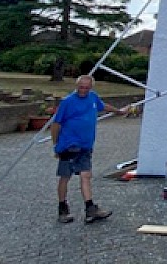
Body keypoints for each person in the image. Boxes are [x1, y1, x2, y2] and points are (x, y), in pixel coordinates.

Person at [51, 74, 127, 224]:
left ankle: (90, 210)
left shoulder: (92, 97)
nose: (83, 90)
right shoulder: (68, 102)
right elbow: (56, 124)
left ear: (91, 87)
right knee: (65, 177)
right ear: (76, 86)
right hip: (69, 146)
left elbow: (103, 106)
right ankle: (62, 209)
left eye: (86, 87)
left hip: (86, 146)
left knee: (86, 175)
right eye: (81, 87)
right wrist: (56, 146)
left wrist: (119, 111)